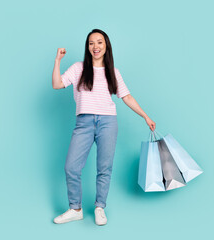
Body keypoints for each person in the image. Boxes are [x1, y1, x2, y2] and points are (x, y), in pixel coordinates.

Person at [52, 29, 156, 226]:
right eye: (91, 43)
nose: (95, 47)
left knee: (104, 168)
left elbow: (126, 97)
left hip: (108, 122)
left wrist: (145, 116)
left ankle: (100, 207)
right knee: (71, 167)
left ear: (106, 45)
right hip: (83, 122)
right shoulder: (78, 68)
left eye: (99, 42)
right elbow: (57, 84)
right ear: (87, 47)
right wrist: (57, 60)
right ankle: (75, 209)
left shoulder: (113, 72)